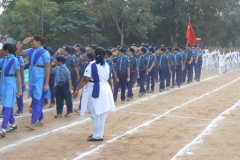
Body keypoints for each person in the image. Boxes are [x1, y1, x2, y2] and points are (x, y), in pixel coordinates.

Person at [73, 47, 115, 141]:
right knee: (101, 112)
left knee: (95, 113)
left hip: (95, 88)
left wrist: (77, 89)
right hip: (105, 88)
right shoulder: (107, 65)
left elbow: (85, 79)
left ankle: (98, 135)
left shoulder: (91, 65)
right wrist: (111, 88)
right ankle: (98, 133)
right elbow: (109, 79)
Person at [15, 35, 50, 130]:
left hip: (40, 78)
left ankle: (33, 122)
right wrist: (23, 43)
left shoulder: (45, 53)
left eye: (33, 41)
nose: (31, 43)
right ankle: (41, 119)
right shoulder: (31, 50)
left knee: (37, 100)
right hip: (32, 77)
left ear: (38, 42)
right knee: (36, 99)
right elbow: (17, 53)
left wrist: (46, 83)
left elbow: (47, 69)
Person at [0, 43, 22, 137]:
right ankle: (13, 124)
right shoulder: (4, 60)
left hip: (11, 83)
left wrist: (19, 90)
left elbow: (18, 75)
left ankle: (3, 128)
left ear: (6, 50)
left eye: (2, 50)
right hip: (4, 83)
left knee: (8, 106)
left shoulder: (14, 60)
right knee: (5, 105)